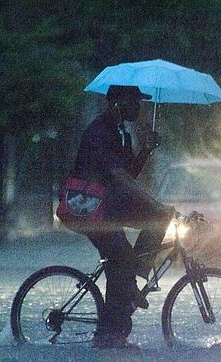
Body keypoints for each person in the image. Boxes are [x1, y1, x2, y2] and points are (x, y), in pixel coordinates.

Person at [70, 85, 174, 349]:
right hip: (88, 208)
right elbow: (118, 177)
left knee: (158, 219)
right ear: (117, 103)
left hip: (107, 207)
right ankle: (109, 333)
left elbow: (129, 174)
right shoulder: (99, 132)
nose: (138, 107)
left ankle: (131, 283)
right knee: (121, 256)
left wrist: (146, 151)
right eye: (134, 102)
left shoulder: (120, 133)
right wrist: (152, 202)